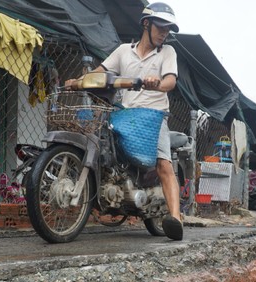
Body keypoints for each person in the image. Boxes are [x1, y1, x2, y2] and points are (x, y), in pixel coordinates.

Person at [67, 2, 183, 240]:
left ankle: (176, 218)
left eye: (168, 29)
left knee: (164, 164)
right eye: (160, 26)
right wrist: (77, 81)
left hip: (154, 116)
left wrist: (157, 83)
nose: (164, 33)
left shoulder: (167, 53)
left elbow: (171, 81)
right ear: (146, 24)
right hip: (126, 114)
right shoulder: (122, 51)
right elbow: (100, 70)